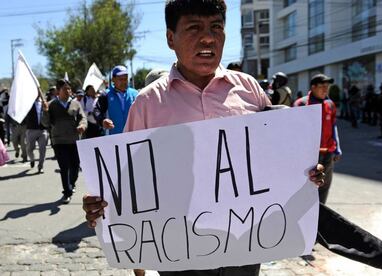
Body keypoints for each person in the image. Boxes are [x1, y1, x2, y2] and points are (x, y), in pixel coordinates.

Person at [83, 1, 325, 276]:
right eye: (194, 27)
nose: (208, 37)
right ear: (170, 38)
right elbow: (128, 182)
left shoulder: (249, 89)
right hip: (177, 251)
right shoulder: (148, 103)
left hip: (246, 245)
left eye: (216, 27)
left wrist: (305, 173)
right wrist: (102, 205)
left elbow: (273, 159)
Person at [294, 74, 341, 204]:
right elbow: (295, 131)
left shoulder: (330, 104)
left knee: (324, 187)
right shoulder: (302, 104)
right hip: (310, 155)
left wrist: (337, 148)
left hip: (328, 153)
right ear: (313, 87)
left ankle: (320, 216)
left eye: (327, 87)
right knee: (306, 188)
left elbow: (333, 126)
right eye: (322, 86)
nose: (325, 90)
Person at [42, 79, 87, 204]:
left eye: (69, 88)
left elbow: (83, 118)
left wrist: (82, 125)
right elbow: (45, 123)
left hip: (74, 140)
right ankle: (67, 192)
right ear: (58, 91)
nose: (68, 91)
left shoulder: (76, 104)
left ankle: (71, 183)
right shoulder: (51, 105)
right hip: (59, 141)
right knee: (64, 167)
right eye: (64, 89)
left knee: (75, 166)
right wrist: (45, 111)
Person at [93, 65, 139, 135]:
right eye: (120, 79)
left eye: (125, 79)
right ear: (113, 79)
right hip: (114, 138)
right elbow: (97, 110)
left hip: (134, 136)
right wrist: (102, 121)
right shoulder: (106, 95)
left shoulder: (135, 94)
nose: (124, 82)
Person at [25, 96, 49, 173]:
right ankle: (32, 159)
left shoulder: (44, 103)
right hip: (31, 130)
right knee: (29, 148)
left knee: (43, 150)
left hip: (42, 130)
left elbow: (49, 114)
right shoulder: (28, 103)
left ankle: (40, 166)